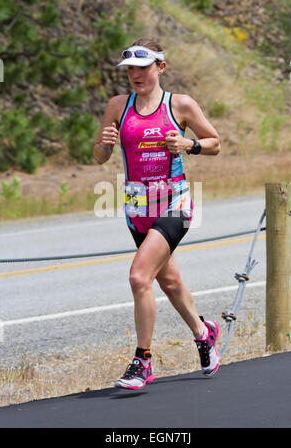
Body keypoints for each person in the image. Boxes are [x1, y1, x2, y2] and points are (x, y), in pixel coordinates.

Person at [93, 38, 221, 390]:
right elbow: (100, 157)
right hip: (137, 209)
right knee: (169, 281)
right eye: (130, 69)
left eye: (143, 68)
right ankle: (204, 332)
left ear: (160, 68)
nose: (135, 75)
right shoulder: (119, 106)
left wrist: (189, 145)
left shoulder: (178, 104)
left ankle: (142, 362)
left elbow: (215, 142)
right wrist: (105, 143)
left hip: (174, 204)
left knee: (139, 277)